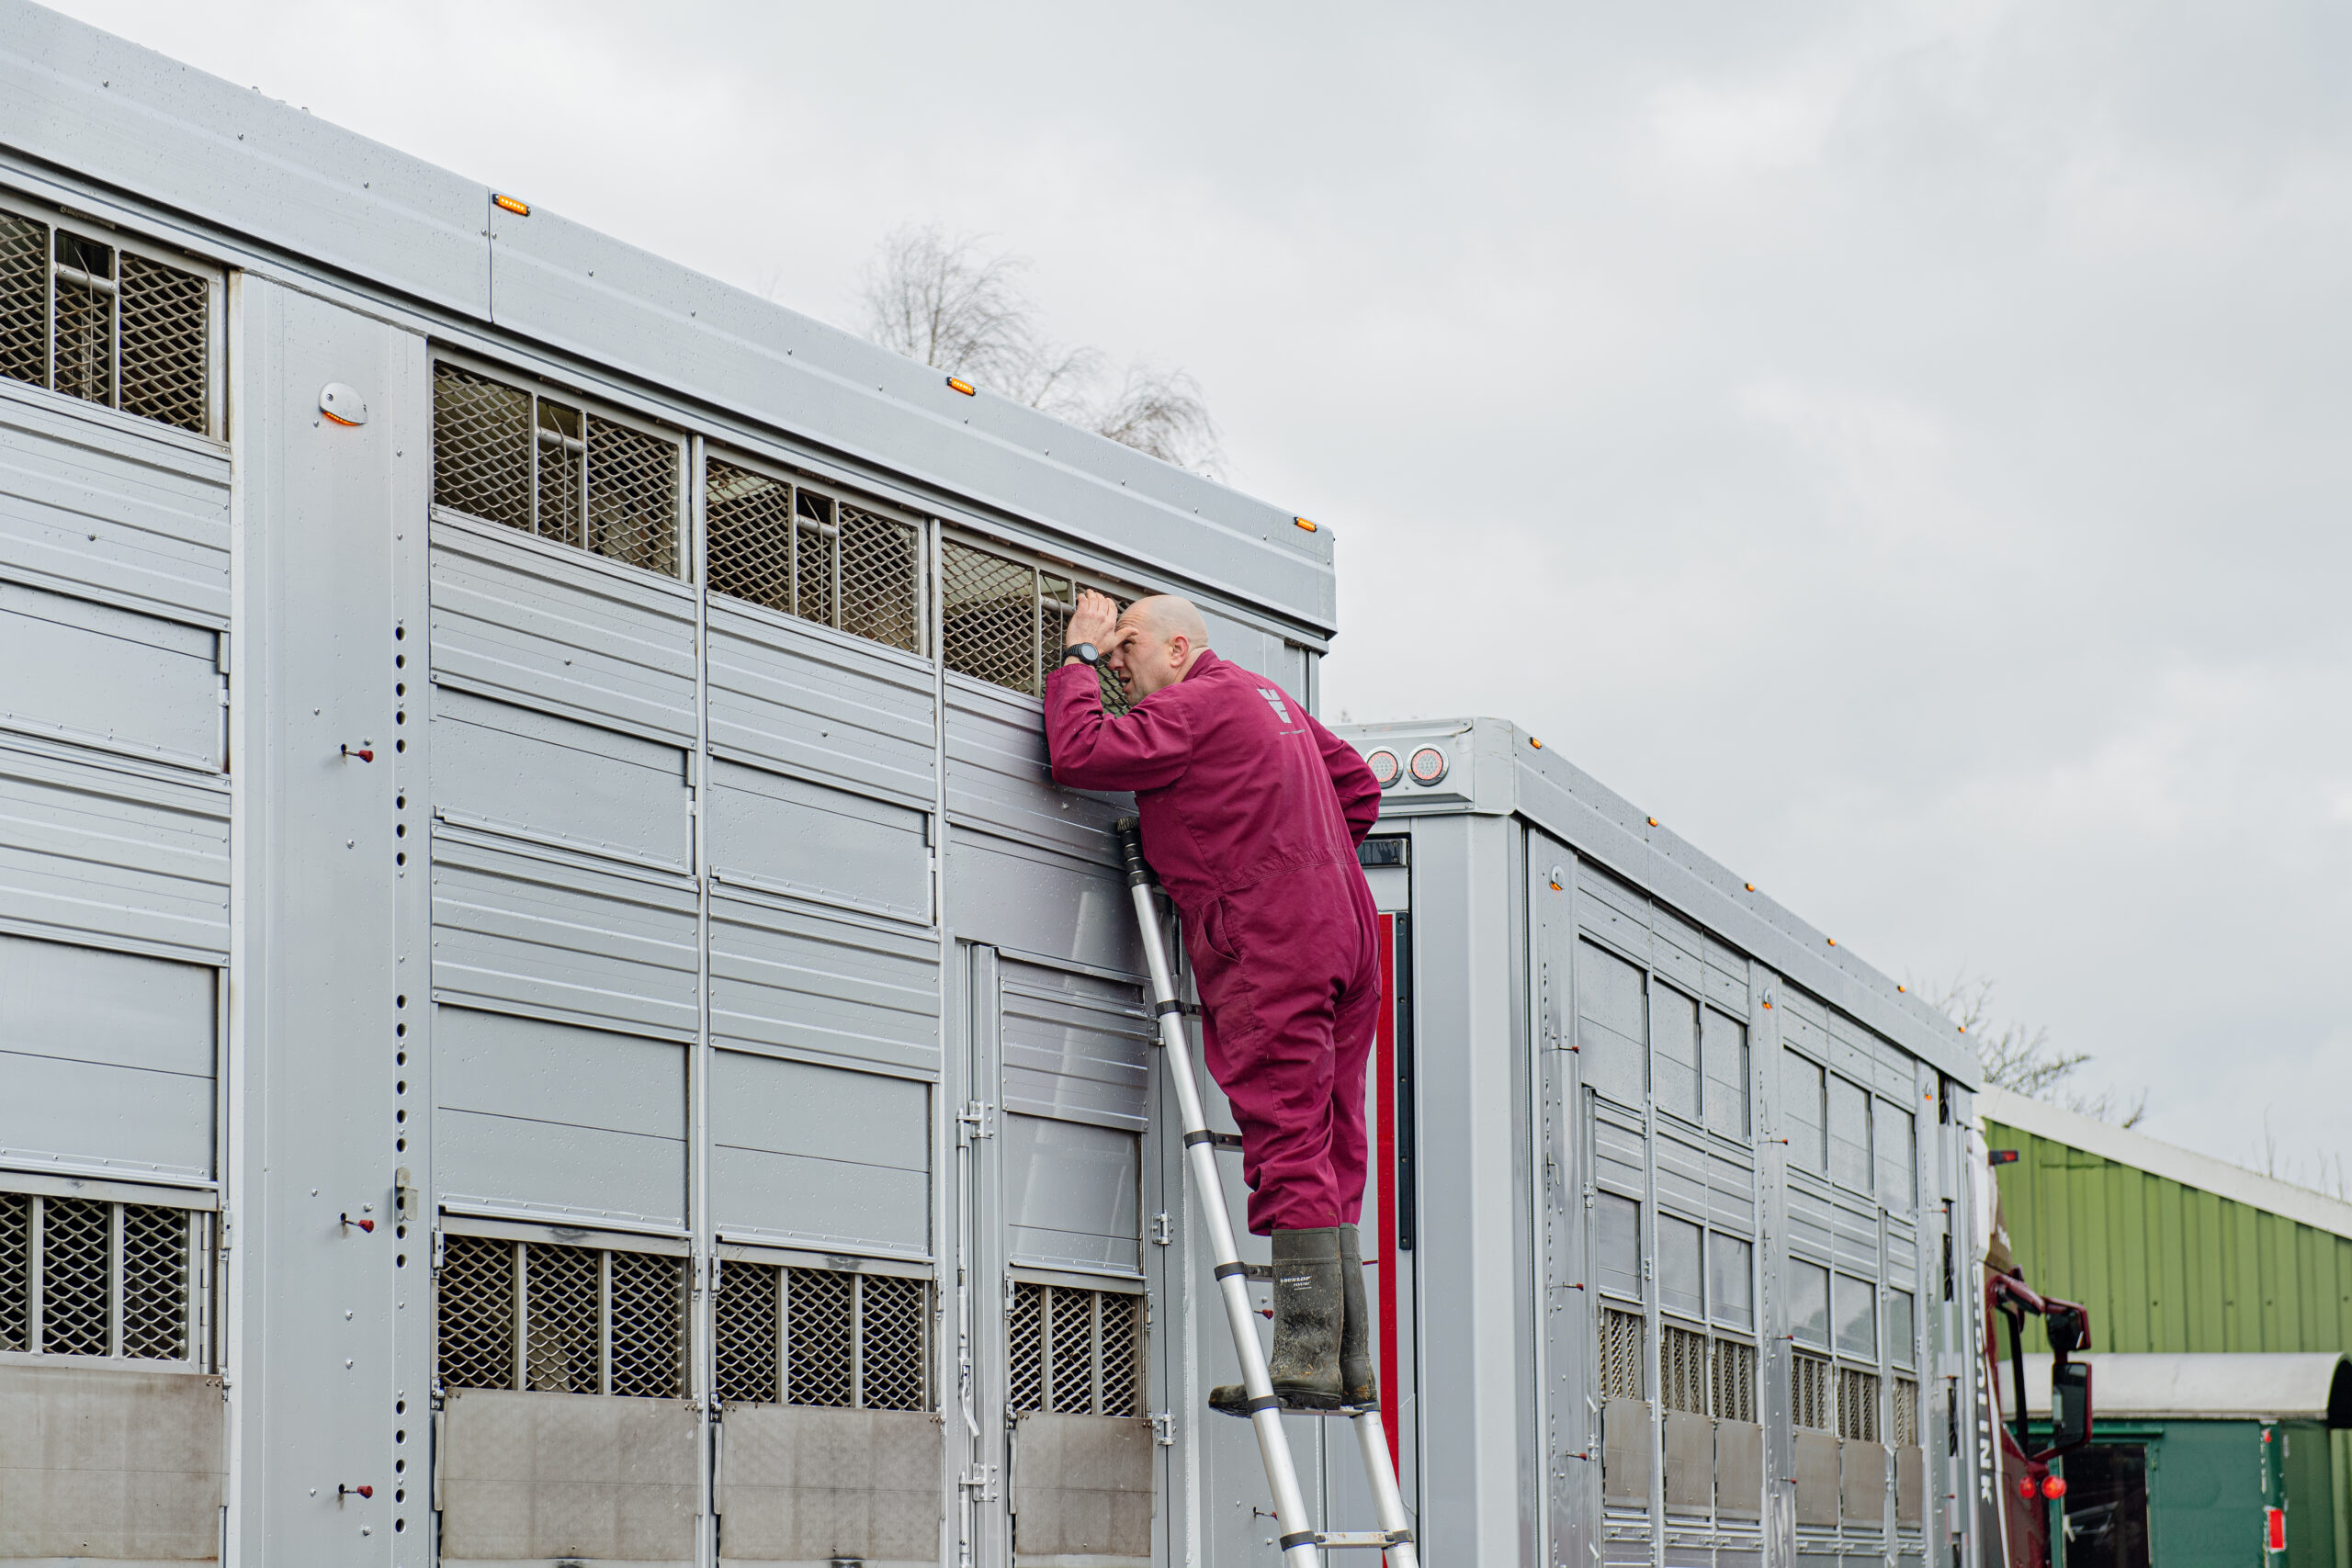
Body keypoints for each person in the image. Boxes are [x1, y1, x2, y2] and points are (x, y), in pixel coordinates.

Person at [1044, 589, 1383, 1414]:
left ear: (1179, 646)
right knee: (1335, 1137)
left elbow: (1081, 752)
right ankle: (1348, 1360)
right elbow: (1361, 791)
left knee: (1290, 1134)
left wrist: (1076, 657)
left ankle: (1303, 1358)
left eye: (1129, 645)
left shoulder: (1194, 704)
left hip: (1277, 942)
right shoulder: (1272, 701)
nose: (1119, 663)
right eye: (1111, 651)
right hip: (1346, 932)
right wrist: (1288, 851)